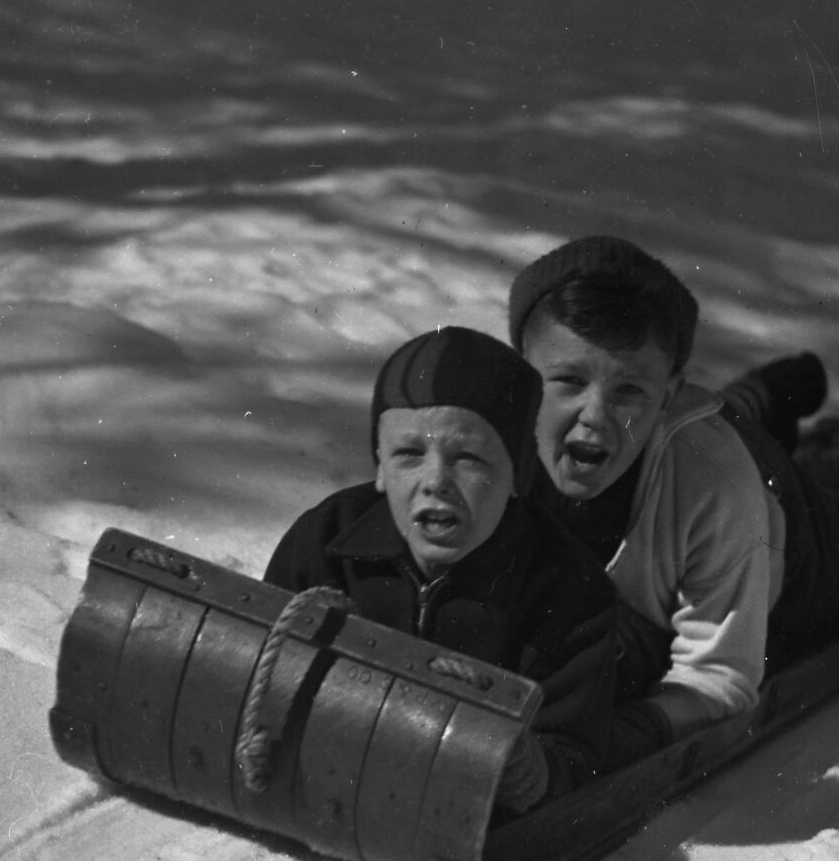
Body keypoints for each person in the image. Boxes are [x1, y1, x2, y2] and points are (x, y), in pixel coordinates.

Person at [507, 235, 839, 766]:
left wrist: (616, 738)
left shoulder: (715, 485)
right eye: (567, 379)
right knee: (687, 423)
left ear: (668, 394)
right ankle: (762, 395)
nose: (594, 413)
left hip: (788, 538)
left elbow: (720, 678)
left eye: (628, 391)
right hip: (685, 440)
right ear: (519, 373)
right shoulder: (486, 442)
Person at [264, 325, 671, 816]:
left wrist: (528, 769)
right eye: (409, 454)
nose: (435, 480)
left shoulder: (572, 595)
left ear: (518, 476)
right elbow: (258, 662)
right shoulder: (326, 541)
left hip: (633, 646)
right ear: (378, 466)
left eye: (469, 458)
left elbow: (575, 760)